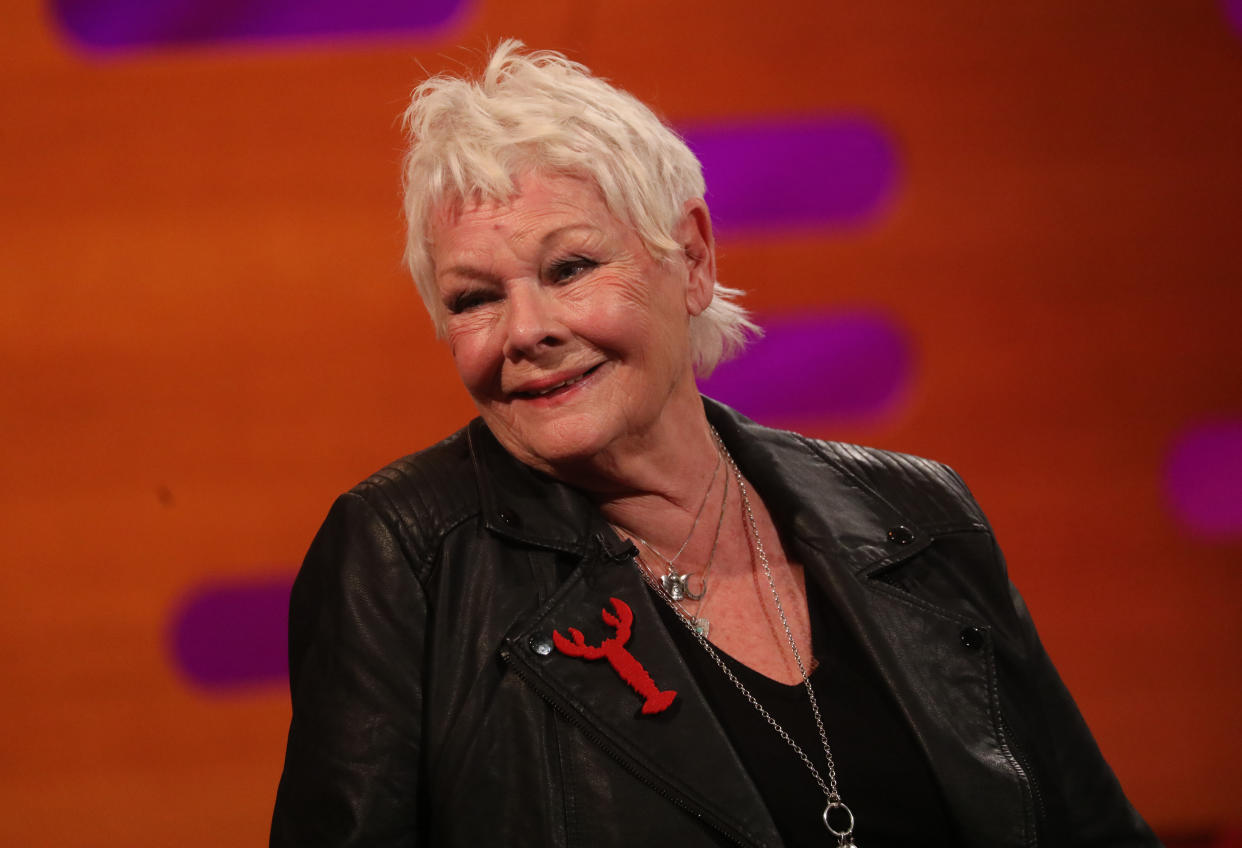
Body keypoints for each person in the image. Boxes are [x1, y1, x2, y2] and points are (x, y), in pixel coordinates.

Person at [271, 41, 1158, 848]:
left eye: (570, 269)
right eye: (474, 299)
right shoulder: (403, 560)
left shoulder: (920, 517)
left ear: (691, 259)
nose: (525, 331)